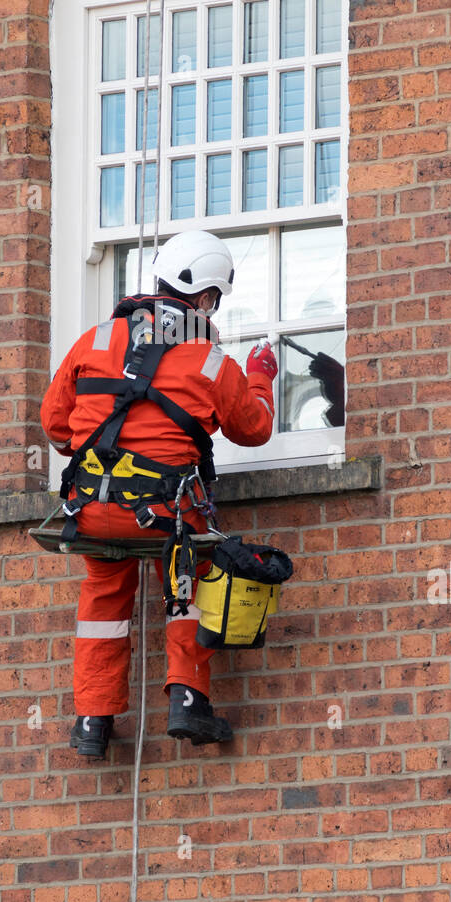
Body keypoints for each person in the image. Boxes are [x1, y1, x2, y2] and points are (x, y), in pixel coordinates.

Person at [40, 230, 278, 759]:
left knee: (102, 602)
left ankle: (92, 721)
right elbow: (254, 429)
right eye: (215, 299)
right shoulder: (208, 359)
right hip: (168, 516)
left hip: (92, 511)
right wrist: (260, 377)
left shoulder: (94, 340)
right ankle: (188, 703)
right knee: (185, 591)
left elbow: (55, 427)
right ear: (205, 298)